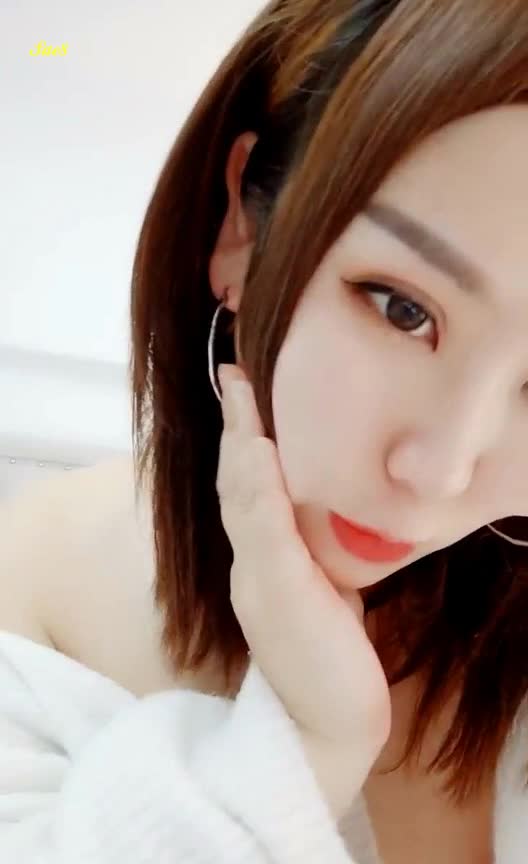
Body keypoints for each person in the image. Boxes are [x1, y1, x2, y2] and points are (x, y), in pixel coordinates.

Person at [1, 0, 528, 861]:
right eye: (402, 310)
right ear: (243, 230)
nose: (438, 472)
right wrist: (304, 750)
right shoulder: (34, 600)